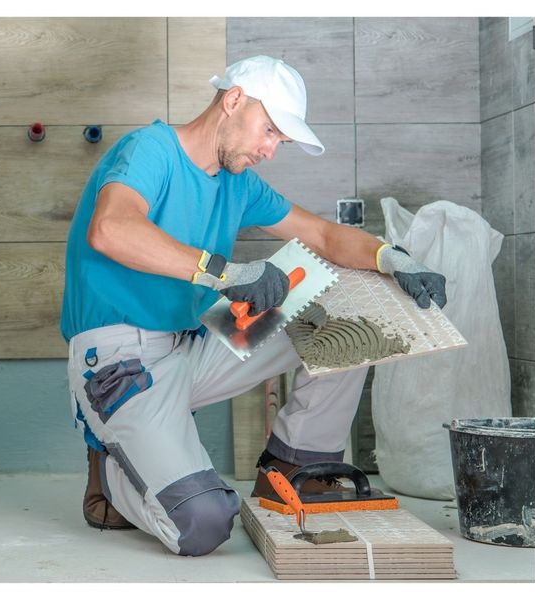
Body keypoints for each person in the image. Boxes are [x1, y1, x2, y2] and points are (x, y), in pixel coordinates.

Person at [60, 55, 447, 557]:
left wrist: (389, 257)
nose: (270, 150)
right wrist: (229, 274)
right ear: (233, 100)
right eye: (269, 132)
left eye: (279, 142)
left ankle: (292, 465)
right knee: (203, 524)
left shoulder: (237, 181)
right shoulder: (149, 150)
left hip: (193, 345)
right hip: (120, 363)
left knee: (341, 295)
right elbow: (111, 229)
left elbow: (323, 235)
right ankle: (111, 473)